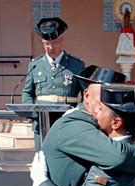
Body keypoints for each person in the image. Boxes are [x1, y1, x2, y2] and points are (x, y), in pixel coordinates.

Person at [22, 17, 85, 150]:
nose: (50, 47)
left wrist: (77, 112)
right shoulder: (35, 65)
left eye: (54, 43)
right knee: (42, 162)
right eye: (46, 43)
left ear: (61, 40)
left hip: (67, 122)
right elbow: (27, 92)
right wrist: (33, 113)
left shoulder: (76, 65)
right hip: (42, 123)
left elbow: (87, 95)